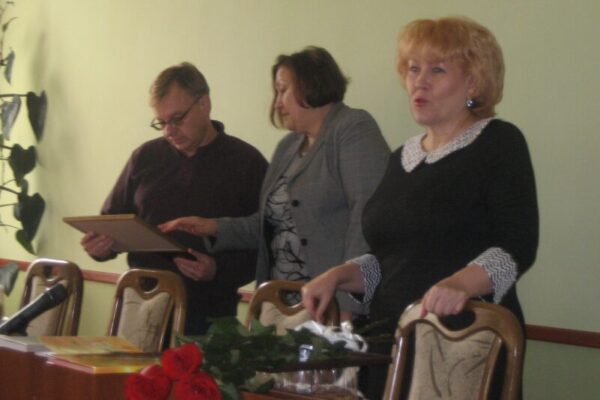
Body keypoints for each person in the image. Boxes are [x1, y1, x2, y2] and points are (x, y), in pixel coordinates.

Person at [301, 17, 538, 399]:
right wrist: (339, 275)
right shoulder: (402, 157)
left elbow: (517, 247)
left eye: (437, 70)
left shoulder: (499, 142)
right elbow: (392, 260)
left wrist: (460, 284)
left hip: (461, 344)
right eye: (413, 69)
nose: (419, 82)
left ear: (473, 82)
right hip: (390, 341)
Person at [160, 46, 390, 322]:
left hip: (332, 306)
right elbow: (271, 224)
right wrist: (214, 227)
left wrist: (348, 303)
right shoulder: (288, 146)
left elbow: (367, 216)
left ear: (311, 85)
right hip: (280, 303)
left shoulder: (353, 128)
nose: (277, 103)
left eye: (283, 91)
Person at [81, 62, 268, 335]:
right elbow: (112, 221)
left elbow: (267, 242)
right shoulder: (145, 157)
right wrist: (101, 247)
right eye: (161, 122)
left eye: (177, 119)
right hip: (140, 305)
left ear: (204, 104)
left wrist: (217, 270)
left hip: (209, 315)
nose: (169, 131)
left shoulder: (246, 163)